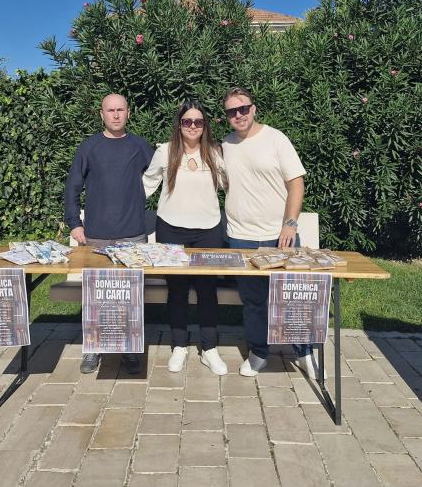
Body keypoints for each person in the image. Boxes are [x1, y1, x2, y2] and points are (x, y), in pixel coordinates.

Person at [221, 87, 323, 379]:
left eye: (243, 108)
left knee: (293, 298)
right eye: (231, 111)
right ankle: (259, 352)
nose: (238, 115)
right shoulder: (225, 145)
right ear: (226, 116)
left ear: (254, 109)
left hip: (280, 236)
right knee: (253, 302)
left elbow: (296, 182)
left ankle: (304, 353)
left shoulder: (276, 139)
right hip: (240, 237)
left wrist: (290, 224)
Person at [64, 93, 154, 375]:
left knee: (129, 297)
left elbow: (165, 176)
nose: (115, 115)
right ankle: (93, 349)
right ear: (101, 114)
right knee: (94, 296)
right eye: (110, 110)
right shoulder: (89, 147)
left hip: (132, 236)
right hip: (96, 236)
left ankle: (128, 350)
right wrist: (74, 223)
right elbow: (72, 187)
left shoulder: (141, 146)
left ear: (129, 112)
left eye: (120, 110)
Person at [143, 101, 228, 375]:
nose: (193, 126)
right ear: (179, 125)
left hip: (209, 230)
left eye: (198, 122)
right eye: (187, 121)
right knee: (177, 291)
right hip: (171, 229)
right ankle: (179, 345)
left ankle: (209, 348)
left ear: (205, 126)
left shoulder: (215, 153)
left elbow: (234, 185)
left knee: (207, 291)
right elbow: (146, 185)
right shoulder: (165, 152)